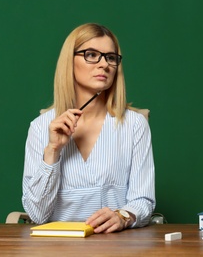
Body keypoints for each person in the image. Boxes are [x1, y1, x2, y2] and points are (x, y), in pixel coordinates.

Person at [22, 23, 155, 234]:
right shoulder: (41, 128)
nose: (104, 65)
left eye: (111, 57)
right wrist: (53, 151)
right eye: (91, 54)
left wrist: (123, 217)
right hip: (58, 247)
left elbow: (143, 200)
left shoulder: (134, 124)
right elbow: (37, 214)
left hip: (117, 246)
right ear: (69, 62)